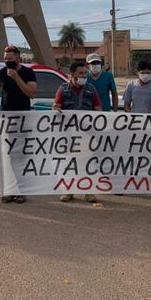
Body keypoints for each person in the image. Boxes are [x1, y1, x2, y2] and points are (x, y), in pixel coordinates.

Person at [0, 45, 37, 204]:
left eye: (10, 59)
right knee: (9, 156)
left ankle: (22, 190)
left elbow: (32, 93)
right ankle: (10, 190)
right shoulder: (2, 72)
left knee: (22, 156)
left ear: (18, 58)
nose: (7, 62)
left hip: (23, 120)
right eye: (5, 59)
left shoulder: (27, 72)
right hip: (7, 120)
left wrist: (17, 78)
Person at [53, 60, 102, 203]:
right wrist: (59, 111)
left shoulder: (91, 89)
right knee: (70, 163)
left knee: (87, 164)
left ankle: (89, 192)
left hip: (87, 134)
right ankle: (69, 190)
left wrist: (90, 119)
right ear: (73, 74)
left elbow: (98, 108)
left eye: (85, 73)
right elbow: (56, 107)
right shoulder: (63, 89)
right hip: (68, 134)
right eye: (80, 73)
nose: (83, 75)